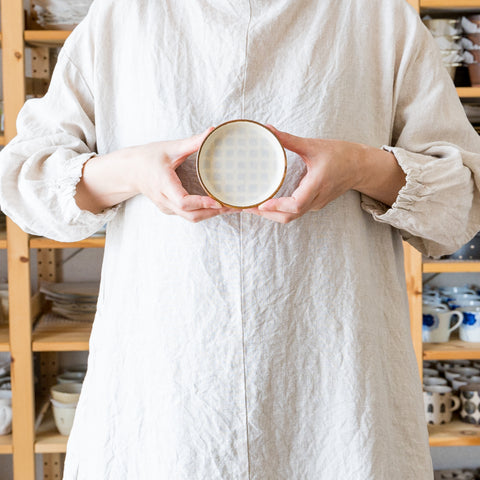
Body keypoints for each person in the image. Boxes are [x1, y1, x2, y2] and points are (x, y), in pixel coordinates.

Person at [1, 0, 480, 478]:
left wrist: (359, 165)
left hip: (336, 391)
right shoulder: (125, 16)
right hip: (165, 396)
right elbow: (25, 182)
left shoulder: (377, 16)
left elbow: (461, 202)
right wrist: (131, 170)